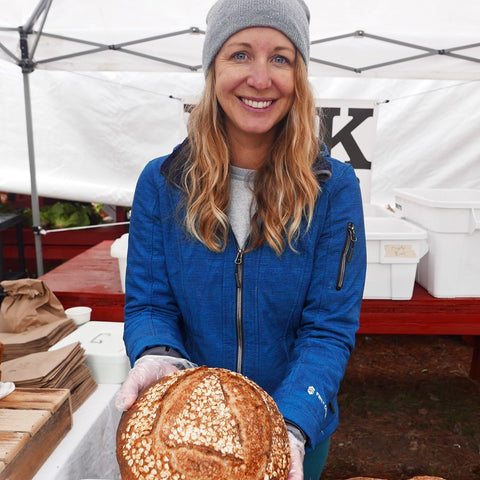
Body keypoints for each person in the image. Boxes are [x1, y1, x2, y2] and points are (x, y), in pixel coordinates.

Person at [115, 0, 366, 478]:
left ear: (299, 76)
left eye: (280, 58)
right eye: (240, 54)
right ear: (213, 69)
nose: (260, 78)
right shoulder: (163, 183)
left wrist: (289, 425)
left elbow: (327, 329)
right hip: (188, 437)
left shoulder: (333, 188)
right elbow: (150, 304)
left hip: (296, 434)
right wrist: (156, 354)